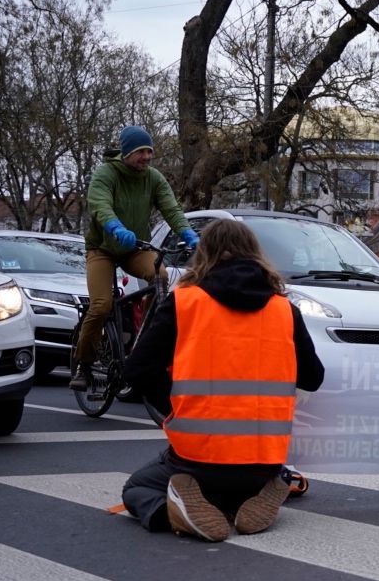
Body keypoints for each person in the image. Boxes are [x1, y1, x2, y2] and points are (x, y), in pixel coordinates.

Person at [119, 218, 325, 541]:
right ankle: (256, 494)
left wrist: (175, 407)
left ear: (204, 255)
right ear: (255, 254)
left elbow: (136, 371)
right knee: (240, 482)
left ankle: (177, 510)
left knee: (137, 487)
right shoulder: (285, 311)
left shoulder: (184, 304)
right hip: (264, 463)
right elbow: (314, 377)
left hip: (197, 459)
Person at [70, 125, 200, 390]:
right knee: (102, 305)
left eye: (149, 151)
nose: (146, 157)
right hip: (102, 248)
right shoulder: (106, 174)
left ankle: (146, 335)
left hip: (134, 248)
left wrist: (187, 232)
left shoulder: (153, 178)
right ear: (127, 152)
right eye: (141, 151)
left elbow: (170, 208)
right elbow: (100, 205)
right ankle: (84, 364)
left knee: (160, 276)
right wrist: (115, 227)